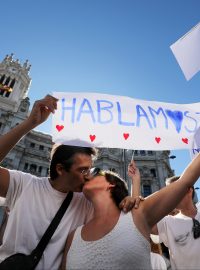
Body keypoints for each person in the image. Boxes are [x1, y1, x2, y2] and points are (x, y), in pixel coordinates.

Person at [0, 95, 137, 270]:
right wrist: (28, 124)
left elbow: (123, 223)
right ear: (60, 169)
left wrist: (129, 200)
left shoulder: (85, 203)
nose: (88, 176)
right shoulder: (23, 184)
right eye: (82, 170)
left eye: (90, 169)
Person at [61, 154, 200, 270]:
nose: (86, 175)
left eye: (94, 171)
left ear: (111, 185)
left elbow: (185, 181)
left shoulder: (137, 215)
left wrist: (135, 184)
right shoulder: (73, 236)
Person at [151, 175, 200, 269]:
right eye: (169, 193)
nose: (171, 197)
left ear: (189, 191)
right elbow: (141, 220)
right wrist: (136, 182)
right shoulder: (167, 223)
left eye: (175, 191)